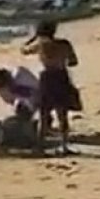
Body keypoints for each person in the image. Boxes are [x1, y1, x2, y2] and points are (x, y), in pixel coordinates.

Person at [21, 20, 80, 156]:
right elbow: (73, 62)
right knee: (62, 115)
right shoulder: (64, 44)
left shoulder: (40, 45)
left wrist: (33, 37)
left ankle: (40, 147)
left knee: (44, 114)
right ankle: (64, 145)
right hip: (61, 76)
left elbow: (23, 50)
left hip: (47, 78)